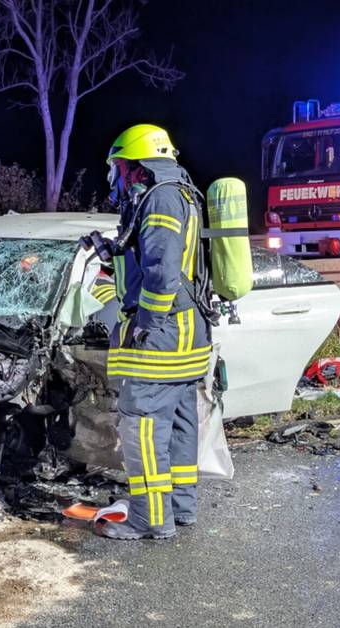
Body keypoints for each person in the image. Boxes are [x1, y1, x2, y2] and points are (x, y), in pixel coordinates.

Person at [98, 124, 210, 540]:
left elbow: (162, 271)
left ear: (136, 165)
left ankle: (149, 518)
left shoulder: (160, 197)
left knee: (142, 422)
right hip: (188, 331)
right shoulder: (178, 191)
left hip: (165, 332)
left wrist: (146, 323)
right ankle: (180, 508)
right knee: (179, 422)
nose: (116, 176)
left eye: (119, 167)